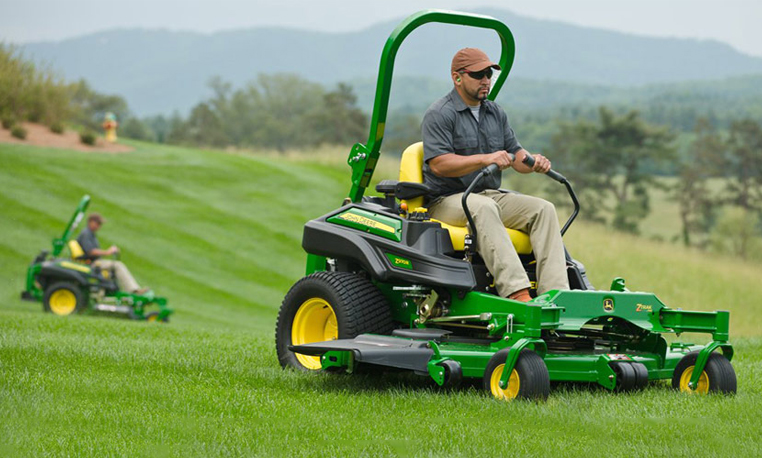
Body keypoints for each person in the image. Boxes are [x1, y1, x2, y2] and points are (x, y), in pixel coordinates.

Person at [421, 47, 569, 302]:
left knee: (543, 209)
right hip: (446, 200)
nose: (486, 80)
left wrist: (534, 162)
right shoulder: (440, 114)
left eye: (489, 74)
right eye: (479, 74)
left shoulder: (495, 112)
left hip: (487, 194)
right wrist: (485, 158)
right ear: (457, 77)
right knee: (484, 207)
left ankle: (556, 296)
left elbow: (515, 156)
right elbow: (439, 164)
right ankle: (518, 294)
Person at [76, 213, 147, 294]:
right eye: (98, 223)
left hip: (94, 262)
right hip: (92, 263)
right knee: (118, 265)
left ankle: (105, 294)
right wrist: (107, 252)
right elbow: (91, 251)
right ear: (91, 222)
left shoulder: (90, 233)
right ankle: (134, 290)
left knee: (112, 271)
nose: (99, 226)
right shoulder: (86, 234)